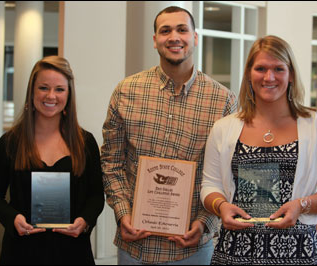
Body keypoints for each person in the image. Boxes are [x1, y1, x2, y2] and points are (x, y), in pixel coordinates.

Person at [101, 6, 237, 265]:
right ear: (155, 40)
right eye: (166, 31)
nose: (174, 37)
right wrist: (122, 213)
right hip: (134, 246)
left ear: (195, 37)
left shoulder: (223, 101)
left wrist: (205, 222)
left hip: (192, 249)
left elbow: (227, 174)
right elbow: (111, 163)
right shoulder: (126, 91)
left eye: (182, 29)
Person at [201, 35, 317, 265]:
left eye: (278, 69)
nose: (269, 77)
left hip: (298, 254)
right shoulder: (224, 128)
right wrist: (221, 206)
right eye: (260, 68)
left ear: (290, 75)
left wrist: (301, 206)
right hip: (234, 252)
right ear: (249, 75)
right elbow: (210, 186)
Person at [0, 56, 105, 265]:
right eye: (43, 88)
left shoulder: (85, 142)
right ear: (32, 92)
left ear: (69, 94)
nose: (51, 96)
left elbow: (96, 196)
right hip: (22, 252)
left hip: (72, 252)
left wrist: (84, 221)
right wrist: (13, 219)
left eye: (59, 89)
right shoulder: (10, 142)